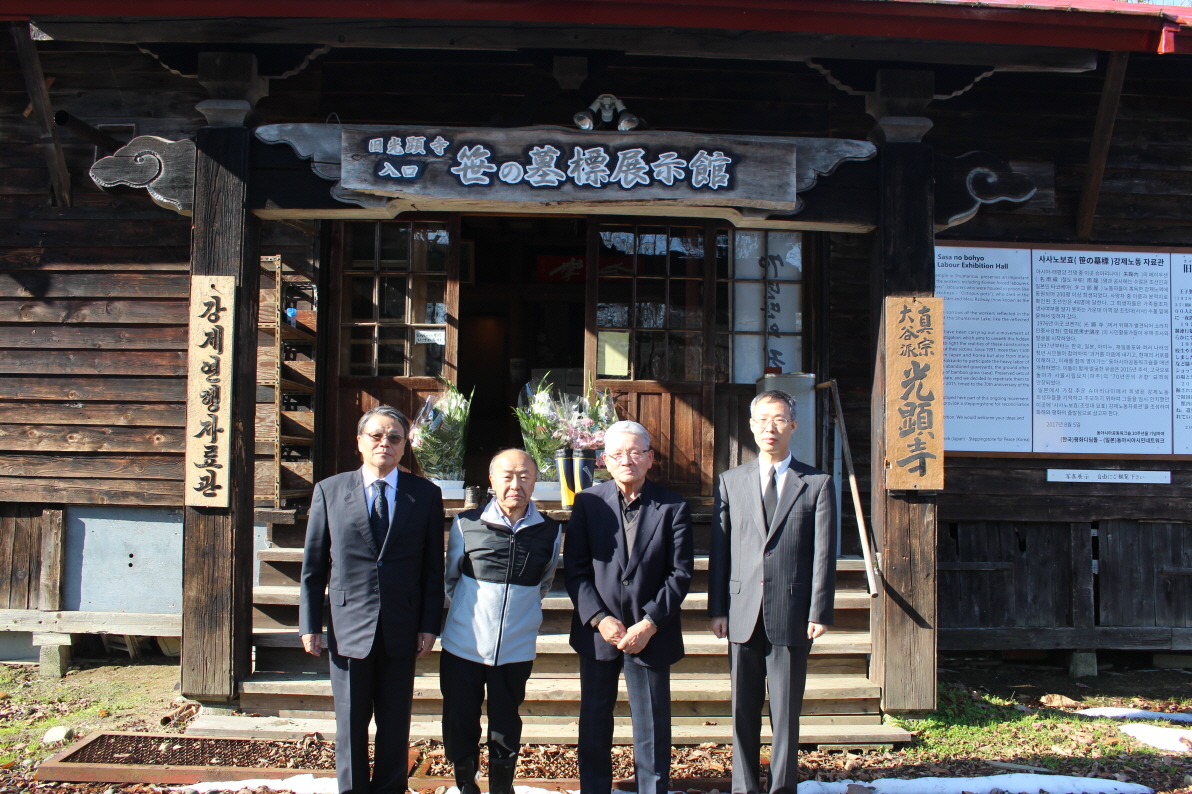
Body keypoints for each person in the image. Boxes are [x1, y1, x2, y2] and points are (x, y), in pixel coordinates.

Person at [299, 405, 445, 794]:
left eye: (394, 437)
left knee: (396, 723)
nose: (385, 443)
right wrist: (310, 625)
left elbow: (433, 568)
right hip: (348, 627)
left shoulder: (425, 494)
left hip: (402, 627)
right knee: (349, 722)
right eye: (377, 436)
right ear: (359, 442)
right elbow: (314, 566)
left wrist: (430, 625)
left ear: (405, 446)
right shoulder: (330, 491)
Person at [709, 389, 837, 794]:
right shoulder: (731, 481)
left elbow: (823, 553)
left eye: (779, 419)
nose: (770, 427)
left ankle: (783, 787)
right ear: (750, 426)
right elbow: (721, 549)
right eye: (763, 420)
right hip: (742, 611)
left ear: (793, 426)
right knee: (742, 710)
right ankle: (744, 787)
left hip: (793, 611)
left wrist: (820, 610)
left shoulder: (816, 483)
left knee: (785, 712)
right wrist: (718, 608)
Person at [564, 420, 694, 794]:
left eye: (636, 452)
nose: (628, 460)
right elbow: (575, 568)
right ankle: (594, 788)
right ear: (604, 460)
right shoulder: (588, 502)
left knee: (652, 722)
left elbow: (680, 573)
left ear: (651, 458)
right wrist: (599, 618)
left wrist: (649, 623)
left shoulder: (673, 507)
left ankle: (652, 788)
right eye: (618, 453)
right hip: (599, 633)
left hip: (651, 632)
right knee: (594, 719)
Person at [440, 449, 561, 794]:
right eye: (507, 476)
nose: (516, 484)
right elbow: (451, 580)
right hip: (464, 645)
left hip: (515, 648)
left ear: (536, 481)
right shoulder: (467, 524)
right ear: (491, 481)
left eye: (525, 476)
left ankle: (501, 787)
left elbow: (544, 583)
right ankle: (466, 783)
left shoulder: (550, 532)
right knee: (460, 719)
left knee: (506, 723)